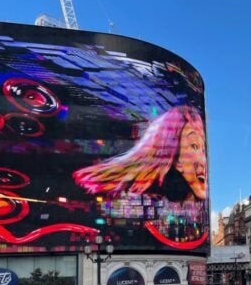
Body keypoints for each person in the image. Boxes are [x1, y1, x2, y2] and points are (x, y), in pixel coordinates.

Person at [73, 106, 208, 247]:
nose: (204, 161)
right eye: (193, 146)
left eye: (203, 149)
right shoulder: (137, 196)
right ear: (174, 157)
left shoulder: (187, 204)